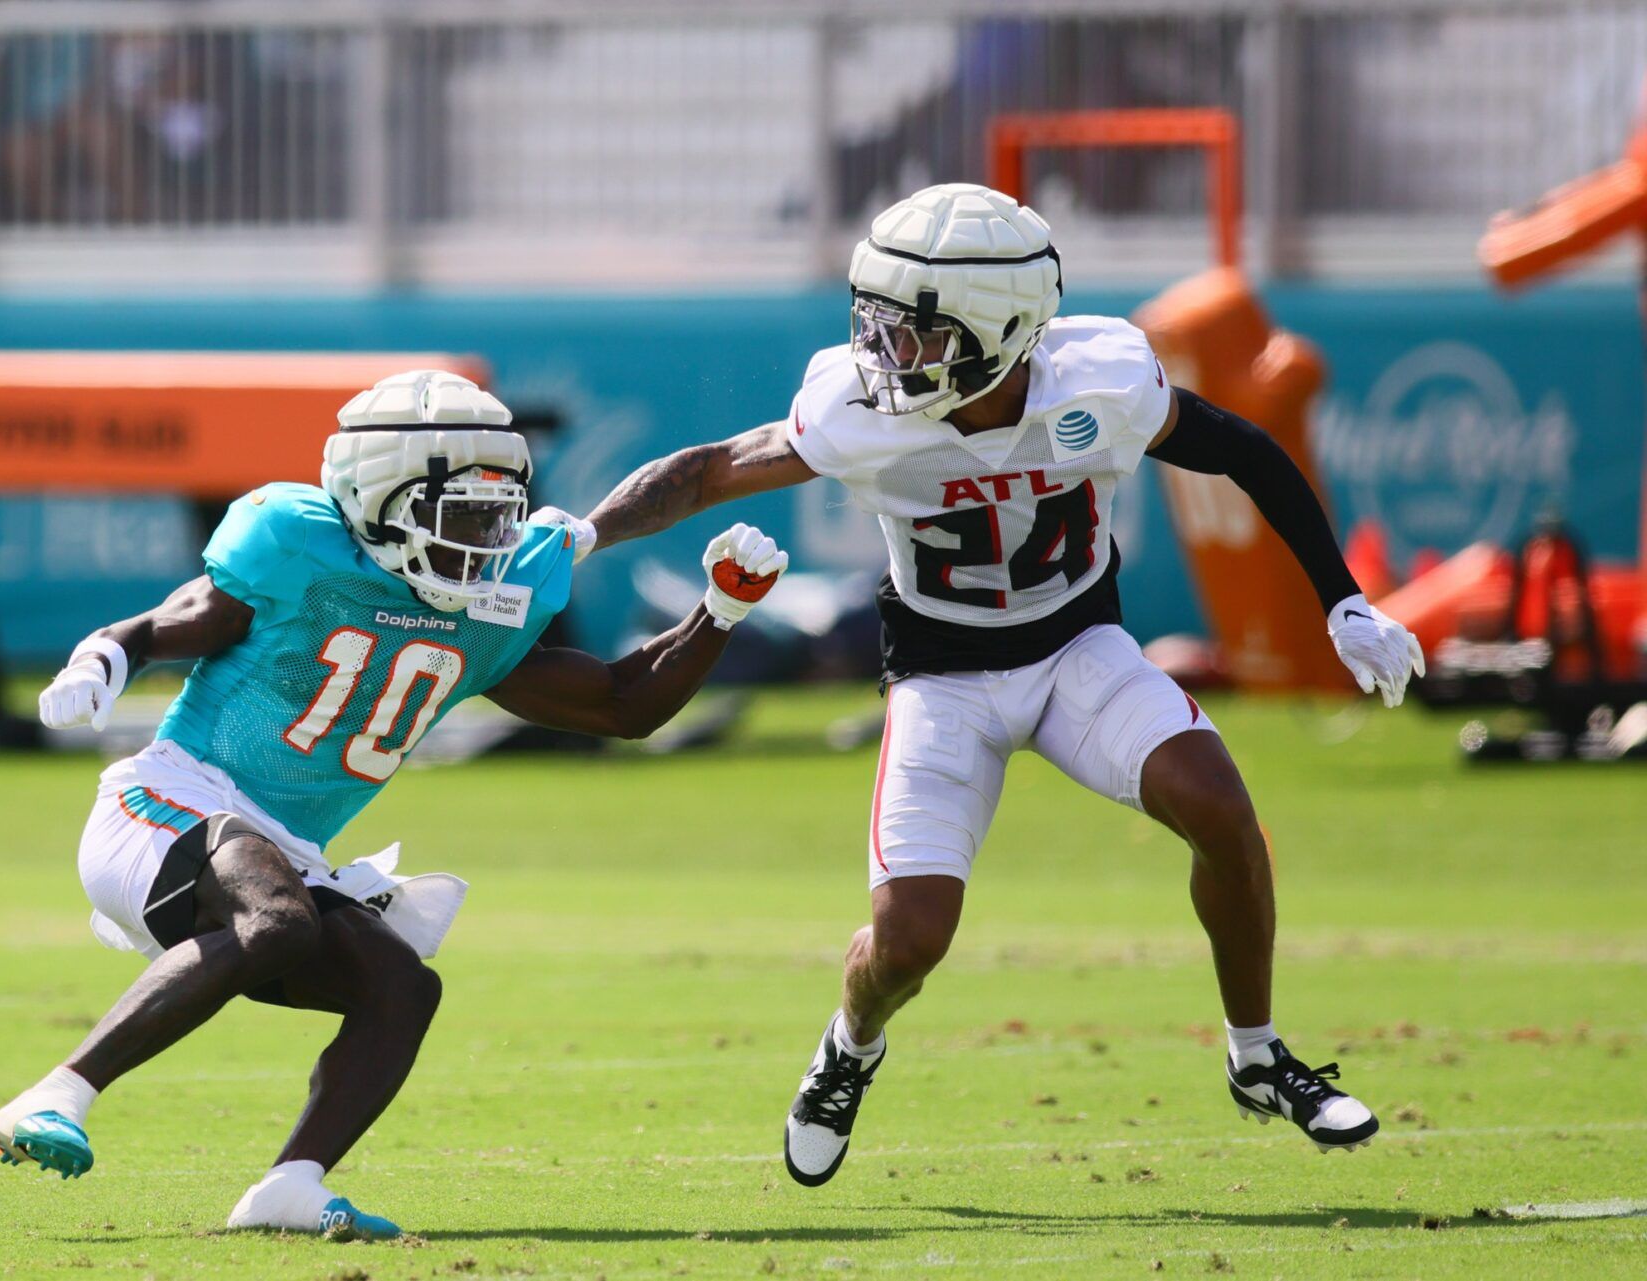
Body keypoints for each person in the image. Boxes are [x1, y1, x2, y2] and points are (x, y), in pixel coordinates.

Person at [536, 185, 1423, 1187]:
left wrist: (1343, 601)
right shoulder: (861, 412)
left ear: (999, 332)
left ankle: (1258, 1056)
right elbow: (705, 472)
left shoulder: (1100, 382)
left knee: (1220, 807)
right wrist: (585, 531)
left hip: (1079, 651)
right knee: (909, 941)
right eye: (876, 321)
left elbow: (1245, 450)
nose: (883, 352)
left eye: (912, 332)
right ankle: (850, 1044)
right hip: (941, 676)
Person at [0, 369, 788, 1237]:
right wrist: (107, 656)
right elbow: (172, 620)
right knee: (280, 919)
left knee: (401, 984)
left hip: (280, 850)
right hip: (168, 804)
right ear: (377, 500)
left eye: (498, 516)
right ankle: (55, 1094)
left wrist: (718, 613)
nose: (486, 543)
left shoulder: (489, 604)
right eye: (463, 518)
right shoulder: (298, 546)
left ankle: (290, 1184)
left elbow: (621, 707)